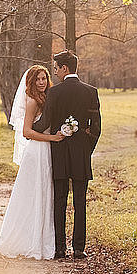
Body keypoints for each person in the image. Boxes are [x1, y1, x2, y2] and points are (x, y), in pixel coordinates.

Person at [0, 65, 65, 260]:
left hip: (46, 150)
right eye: (38, 79)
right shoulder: (32, 100)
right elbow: (27, 132)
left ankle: (41, 238)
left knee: (44, 193)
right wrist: (52, 138)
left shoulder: (47, 97)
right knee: (34, 193)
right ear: (31, 82)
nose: (41, 82)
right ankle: (28, 241)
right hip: (37, 150)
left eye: (44, 78)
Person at [33, 51, 101, 259]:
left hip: (59, 152)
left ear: (65, 68)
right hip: (81, 154)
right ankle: (79, 249)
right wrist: (85, 148)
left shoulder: (55, 93)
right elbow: (96, 128)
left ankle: (60, 248)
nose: (54, 72)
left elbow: (45, 124)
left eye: (55, 68)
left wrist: (27, 127)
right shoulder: (91, 91)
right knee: (80, 201)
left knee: (60, 199)